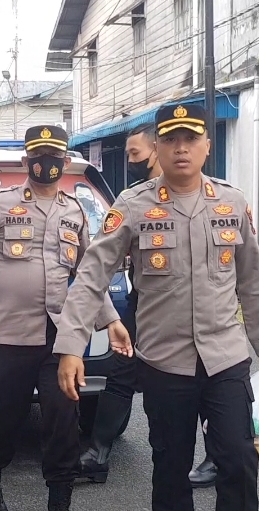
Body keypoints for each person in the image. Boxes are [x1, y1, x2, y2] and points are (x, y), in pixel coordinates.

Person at [55, 103, 259, 511]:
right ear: (157, 148)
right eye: (171, 139)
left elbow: (254, 280)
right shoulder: (133, 206)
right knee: (170, 460)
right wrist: (71, 345)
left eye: (190, 139)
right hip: (163, 362)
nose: (180, 148)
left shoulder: (231, 203)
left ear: (205, 146)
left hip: (225, 357)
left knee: (238, 457)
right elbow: (93, 273)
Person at [0, 125, 128, 511]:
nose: (45, 163)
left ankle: (59, 509)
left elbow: (89, 274)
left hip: (61, 337)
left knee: (63, 420)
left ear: (64, 162)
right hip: (9, 333)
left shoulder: (74, 212)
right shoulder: (0, 205)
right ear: (27, 161)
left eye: (53, 156)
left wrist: (110, 320)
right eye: (37, 156)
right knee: (2, 417)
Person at [79, 121, 219, 488]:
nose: (130, 160)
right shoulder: (134, 200)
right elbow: (100, 259)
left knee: (202, 376)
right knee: (120, 371)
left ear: (156, 150)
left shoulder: (208, 197)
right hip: (145, 302)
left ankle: (215, 456)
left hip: (197, 309)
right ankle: (98, 452)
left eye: (135, 154)